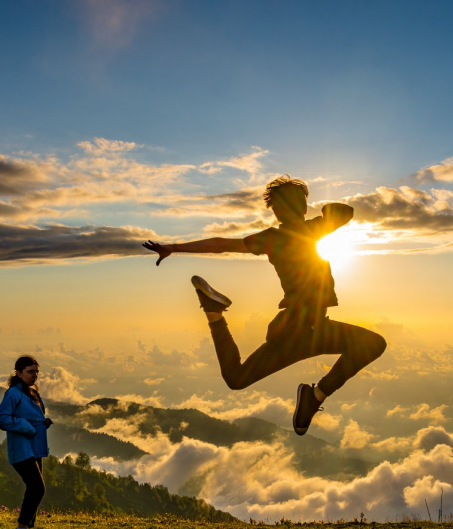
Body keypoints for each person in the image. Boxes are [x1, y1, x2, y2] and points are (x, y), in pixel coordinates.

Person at [142, 176, 387, 435]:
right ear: (304, 208)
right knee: (373, 343)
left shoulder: (272, 238)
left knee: (236, 378)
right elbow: (345, 212)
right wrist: (321, 211)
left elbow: (221, 244)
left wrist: (174, 247)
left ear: (276, 212)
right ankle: (315, 396)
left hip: (302, 330)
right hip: (301, 329)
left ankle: (215, 314)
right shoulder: (314, 229)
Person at [0, 355, 52, 529]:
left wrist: (42, 423)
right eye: (30, 371)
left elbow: (30, 416)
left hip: (35, 448)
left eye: (37, 371)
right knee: (37, 487)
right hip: (21, 449)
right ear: (18, 373)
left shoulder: (32, 392)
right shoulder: (13, 393)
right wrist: (27, 426)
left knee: (34, 487)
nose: (35, 375)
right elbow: (1, 419)